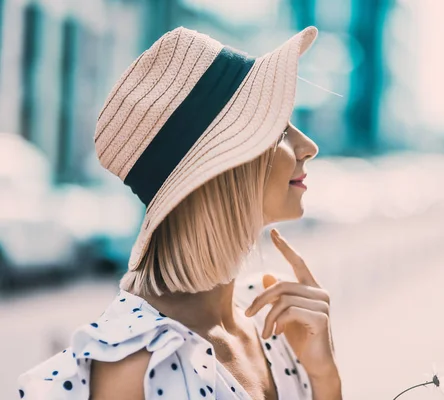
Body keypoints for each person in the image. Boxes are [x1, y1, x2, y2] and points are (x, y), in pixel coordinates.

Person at [17, 25, 342, 400]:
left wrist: (325, 380)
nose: (309, 146)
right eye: (279, 128)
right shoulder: (135, 366)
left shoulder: (274, 328)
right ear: (222, 169)